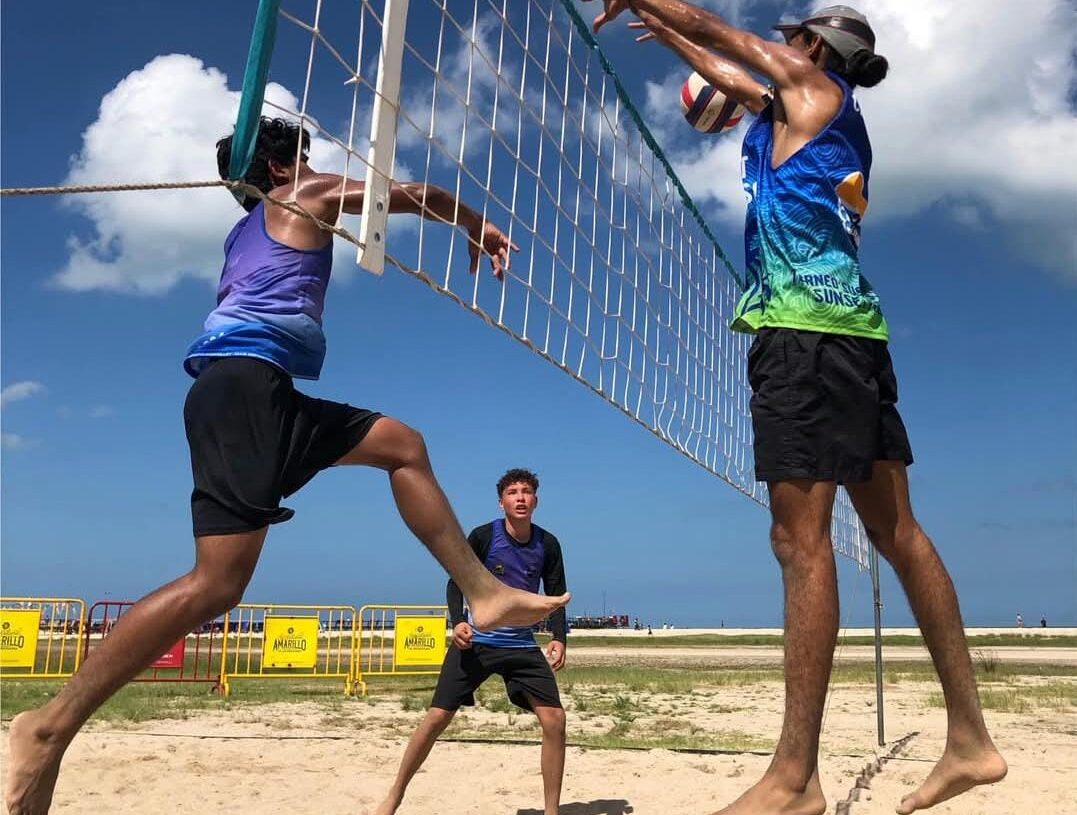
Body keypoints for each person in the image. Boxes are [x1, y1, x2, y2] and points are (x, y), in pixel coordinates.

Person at [4, 118, 569, 815]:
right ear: (278, 167)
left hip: (251, 390)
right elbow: (413, 193)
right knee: (214, 585)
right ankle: (50, 724)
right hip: (246, 390)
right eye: (304, 152)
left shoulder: (239, 231)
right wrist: (475, 224)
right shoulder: (300, 191)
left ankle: (482, 590)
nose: (315, 162)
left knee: (402, 445)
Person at [588, 3, 1006, 813]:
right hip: (852, 333)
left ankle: (793, 780)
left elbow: (724, 40)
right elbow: (728, 75)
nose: (779, 47)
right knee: (895, 532)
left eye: (789, 39)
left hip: (802, 338)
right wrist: (670, 38)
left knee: (799, 541)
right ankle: (970, 740)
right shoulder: (820, 113)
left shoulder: (812, 85)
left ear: (814, 47)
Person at [376, 468, 569, 815]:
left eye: (526, 492)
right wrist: (459, 622)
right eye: (513, 492)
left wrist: (559, 638)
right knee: (436, 718)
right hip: (476, 641)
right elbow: (455, 582)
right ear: (501, 502)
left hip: (521, 645)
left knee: (555, 720)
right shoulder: (484, 536)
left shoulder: (547, 543)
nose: (520, 498)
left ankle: (551, 811)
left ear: (536, 500)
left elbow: (556, 594)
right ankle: (394, 796)